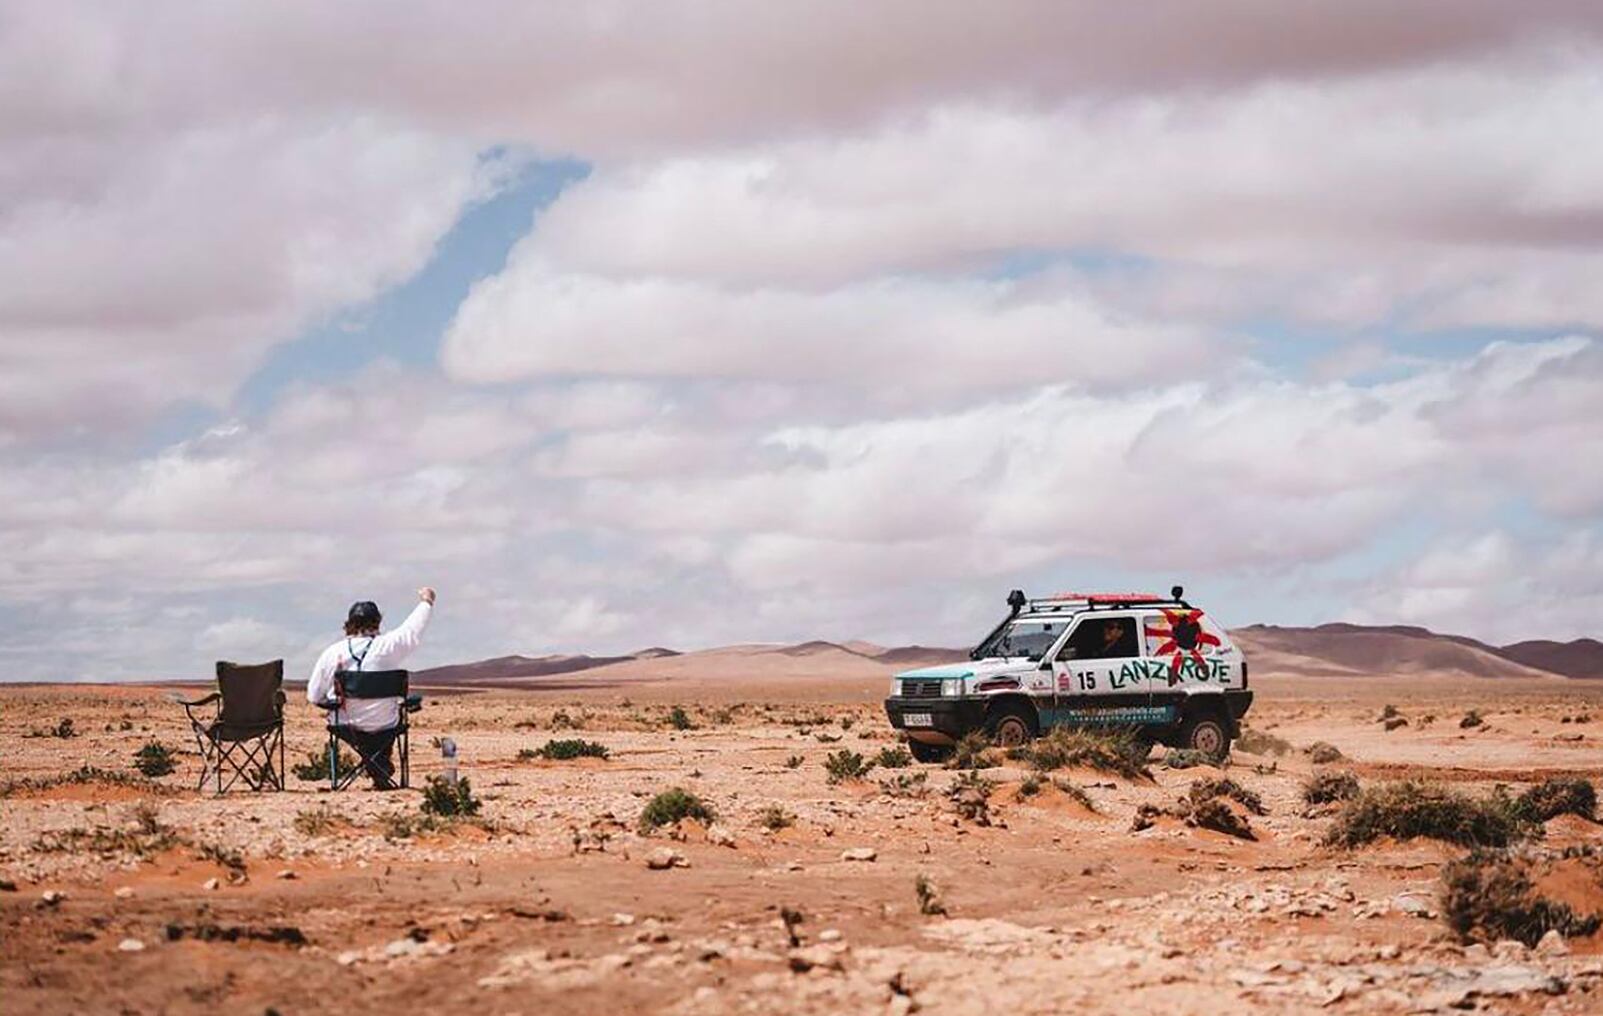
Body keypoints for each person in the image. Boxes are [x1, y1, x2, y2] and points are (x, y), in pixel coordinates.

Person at [306, 587, 436, 788]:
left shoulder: (332, 653)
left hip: (347, 725)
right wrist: (426, 602)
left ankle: (376, 766)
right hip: (386, 725)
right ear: (377, 622)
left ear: (349, 624)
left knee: (365, 731)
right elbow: (413, 628)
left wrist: (332, 702)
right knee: (384, 727)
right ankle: (379, 766)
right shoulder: (389, 646)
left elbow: (314, 696)